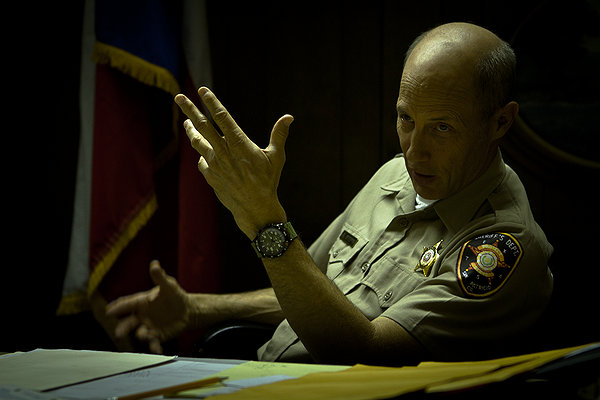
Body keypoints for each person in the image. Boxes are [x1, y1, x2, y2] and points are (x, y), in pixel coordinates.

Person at [106, 22, 553, 366]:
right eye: (406, 119)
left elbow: (367, 351)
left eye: (442, 128)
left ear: (500, 122)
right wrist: (197, 308)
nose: (414, 151)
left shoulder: (502, 246)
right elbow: (311, 287)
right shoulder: (395, 175)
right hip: (257, 375)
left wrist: (264, 220)